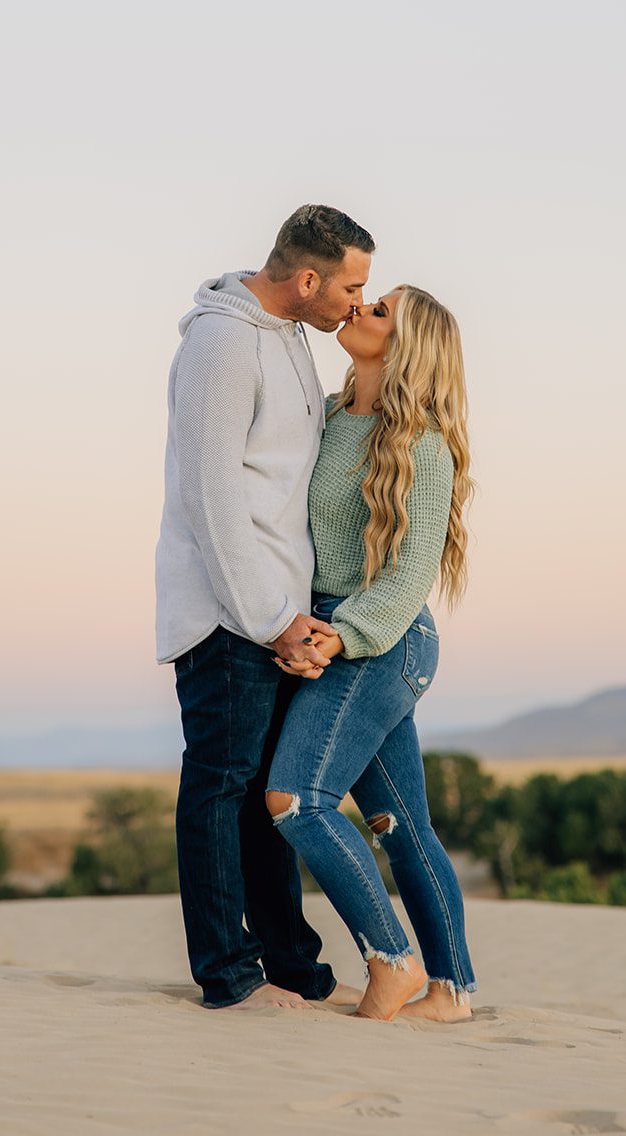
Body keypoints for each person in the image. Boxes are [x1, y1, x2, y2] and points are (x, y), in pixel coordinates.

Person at [154, 203, 375, 1010]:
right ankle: (229, 976)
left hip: (280, 612)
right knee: (220, 788)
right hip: (224, 614)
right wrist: (269, 617)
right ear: (307, 277)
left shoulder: (287, 343)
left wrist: (300, 615)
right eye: (351, 284)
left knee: (267, 798)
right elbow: (212, 497)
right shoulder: (219, 343)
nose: (358, 301)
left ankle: (291, 967)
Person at [265, 284, 476, 1022]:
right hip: (326, 632)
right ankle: (451, 995)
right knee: (400, 828)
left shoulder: (418, 441)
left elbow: (411, 572)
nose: (360, 309)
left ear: (406, 346)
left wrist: (341, 634)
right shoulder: (325, 417)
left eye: (378, 310)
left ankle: (393, 960)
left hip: (382, 640)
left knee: (296, 800)